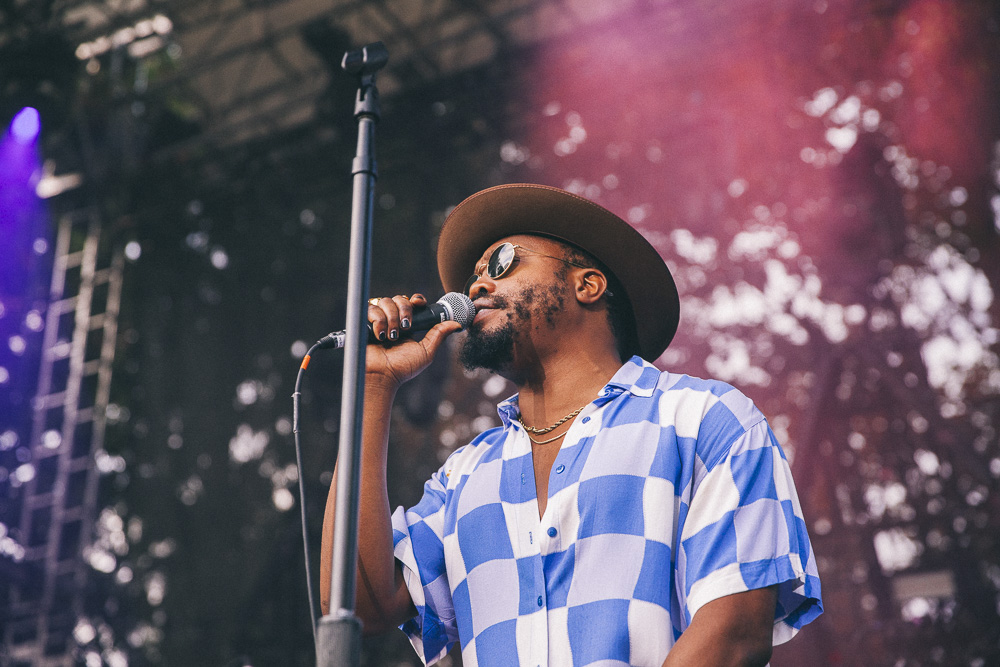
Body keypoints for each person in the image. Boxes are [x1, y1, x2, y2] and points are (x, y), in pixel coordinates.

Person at [321, 183, 822, 666]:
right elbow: (360, 605)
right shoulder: (464, 475)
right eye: (473, 277)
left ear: (588, 284)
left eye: (502, 262)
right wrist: (372, 386)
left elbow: (733, 635)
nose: (475, 286)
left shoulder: (705, 421)